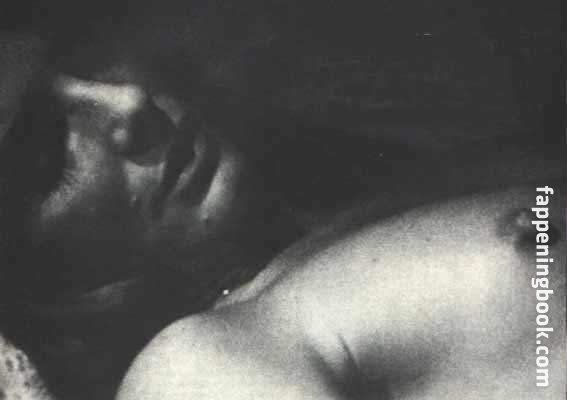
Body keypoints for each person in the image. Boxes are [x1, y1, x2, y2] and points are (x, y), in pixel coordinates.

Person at [0, 3, 565, 399]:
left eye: (84, 60)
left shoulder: (338, 228)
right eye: (42, 150)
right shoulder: (187, 371)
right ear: (34, 280)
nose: (130, 101)